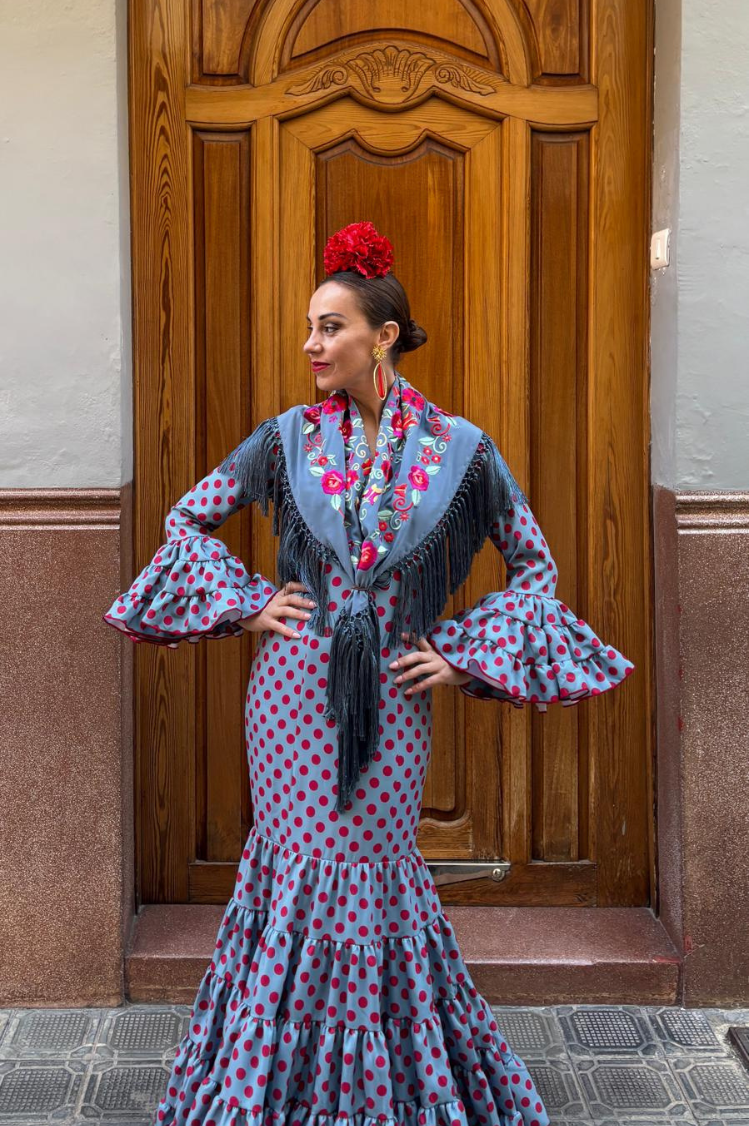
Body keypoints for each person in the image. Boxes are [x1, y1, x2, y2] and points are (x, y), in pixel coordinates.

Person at [104, 220, 634, 1126]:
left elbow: (534, 567)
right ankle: (272, 1089)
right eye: (309, 327)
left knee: (367, 876)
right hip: (288, 699)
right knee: (295, 874)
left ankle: (375, 1091)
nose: (311, 344)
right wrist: (247, 603)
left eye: (330, 326)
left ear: (382, 336)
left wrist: (461, 655)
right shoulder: (283, 440)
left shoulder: (463, 450)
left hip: (390, 702)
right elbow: (188, 520)